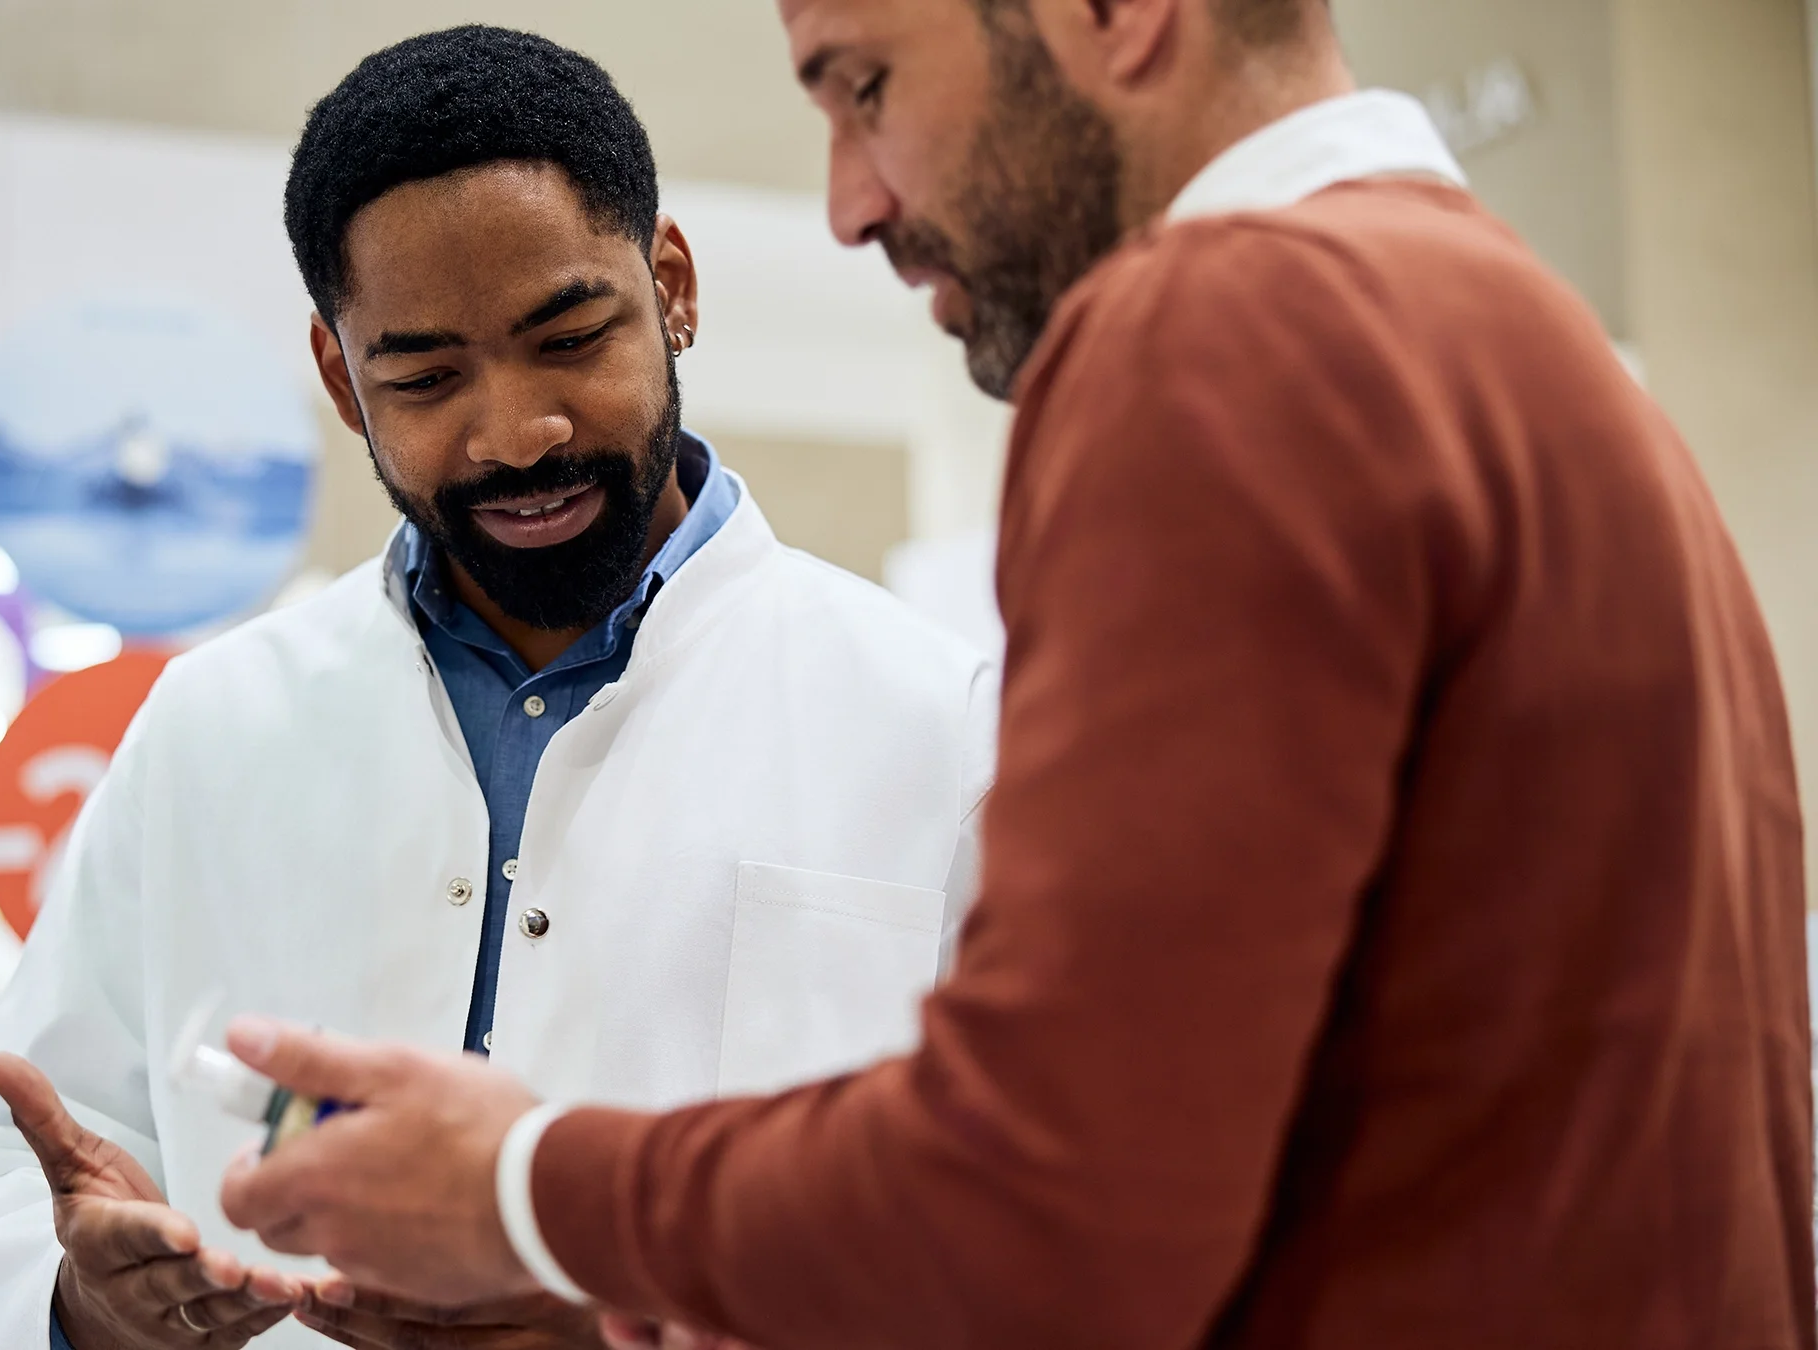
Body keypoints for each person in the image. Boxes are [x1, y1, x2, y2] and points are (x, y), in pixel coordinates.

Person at [212, 1, 1816, 1347]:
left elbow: (1066, 1200)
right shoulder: (1535, 349)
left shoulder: (1220, 328)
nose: (848, 199)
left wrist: (521, 1188)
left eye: (866, 83)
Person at [0, 25, 995, 1350]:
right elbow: (4, 1174)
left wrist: (626, 1319)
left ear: (672, 289)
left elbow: (1034, 1233)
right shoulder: (213, 727)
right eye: (424, 377)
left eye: (569, 336)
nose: (514, 432)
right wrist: (84, 1302)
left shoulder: (940, 723)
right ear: (340, 378)